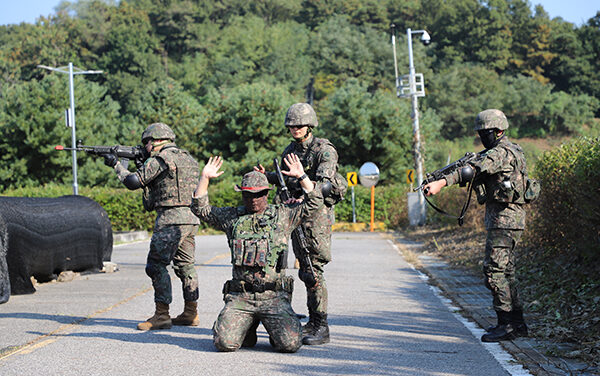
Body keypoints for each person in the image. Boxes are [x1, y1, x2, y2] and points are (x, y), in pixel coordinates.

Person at [191, 154, 325, 352]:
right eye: (248, 195)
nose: (254, 199)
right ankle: (247, 327)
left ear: (267, 193)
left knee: (290, 345)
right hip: (240, 298)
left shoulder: (283, 215)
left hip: (274, 297)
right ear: (242, 194)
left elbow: (315, 204)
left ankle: (270, 327)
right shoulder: (233, 218)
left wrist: (302, 176)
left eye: (259, 194)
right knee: (224, 343)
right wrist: (205, 178)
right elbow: (200, 209)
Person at [423, 109, 530, 342]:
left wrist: (441, 183)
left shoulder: (501, 153)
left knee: (494, 272)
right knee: (507, 272)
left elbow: (473, 170)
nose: (482, 136)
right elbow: (472, 167)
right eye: (480, 133)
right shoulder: (511, 150)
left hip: (505, 220)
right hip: (507, 220)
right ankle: (516, 323)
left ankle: (507, 324)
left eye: (486, 132)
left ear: (499, 131)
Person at [256, 102, 345, 345]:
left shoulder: (324, 150)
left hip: (316, 216)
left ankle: (321, 325)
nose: (295, 128)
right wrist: (267, 176)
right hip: (296, 213)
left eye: (299, 125)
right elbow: (287, 179)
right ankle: (312, 322)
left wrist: (302, 176)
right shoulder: (290, 151)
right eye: (291, 125)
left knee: (313, 269)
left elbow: (323, 185)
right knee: (304, 270)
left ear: (310, 125)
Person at [104, 122, 201, 331]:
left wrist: (116, 165)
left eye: (146, 143)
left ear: (155, 141)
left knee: (156, 265)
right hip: (191, 218)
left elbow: (132, 182)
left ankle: (162, 315)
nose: (145, 147)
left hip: (170, 219)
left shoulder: (161, 159)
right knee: (186, 267)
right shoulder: (189, 159)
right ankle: (191, 312)